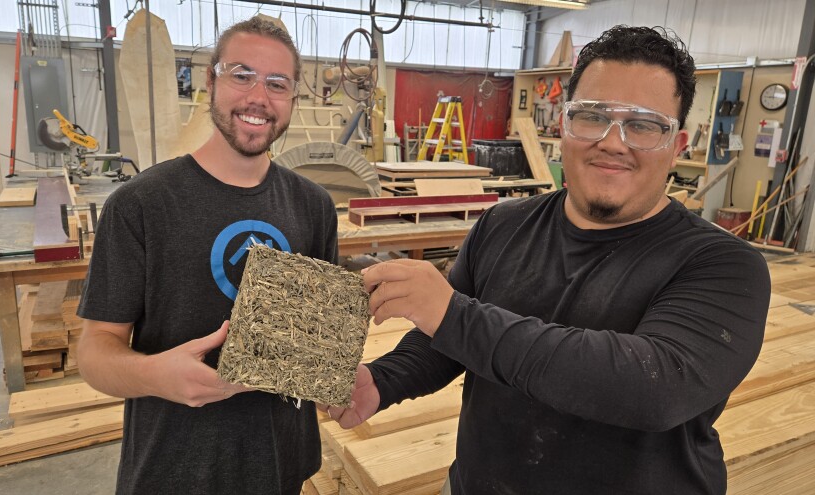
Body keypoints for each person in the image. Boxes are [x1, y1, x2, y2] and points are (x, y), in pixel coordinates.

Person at [326, 25, 770, 494]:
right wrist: (382, 381)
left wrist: (455, 315)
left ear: (676, 147)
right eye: (592, 117)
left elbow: (652, 390)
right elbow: (446, 339)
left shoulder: (723, 266)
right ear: (564, 125)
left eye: (643, 125)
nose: (613, 142)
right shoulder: (501, 225)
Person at [77, 16, 338, 494]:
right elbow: (94, 353)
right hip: (176, 470)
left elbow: (312, 344)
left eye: (277, 83)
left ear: (293, 99)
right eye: (242, 75)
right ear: (210, 82)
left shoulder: (314, 206)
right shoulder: (140, 205)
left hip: (283, 465)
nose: (259, 97)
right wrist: (155, 375)